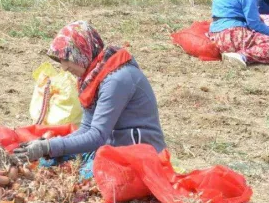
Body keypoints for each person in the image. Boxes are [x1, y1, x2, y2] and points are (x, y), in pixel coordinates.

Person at [13, 21, 166, 177]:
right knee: (49, 162)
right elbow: (86, 127)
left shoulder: (116, 79)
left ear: (82, 50)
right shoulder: (93, 78)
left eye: (67, 58)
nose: (64, 67)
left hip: (140, 151)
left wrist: (48, 147)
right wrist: (46, 146)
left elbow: (97, 136)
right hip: (113, 144)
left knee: (89, 175)